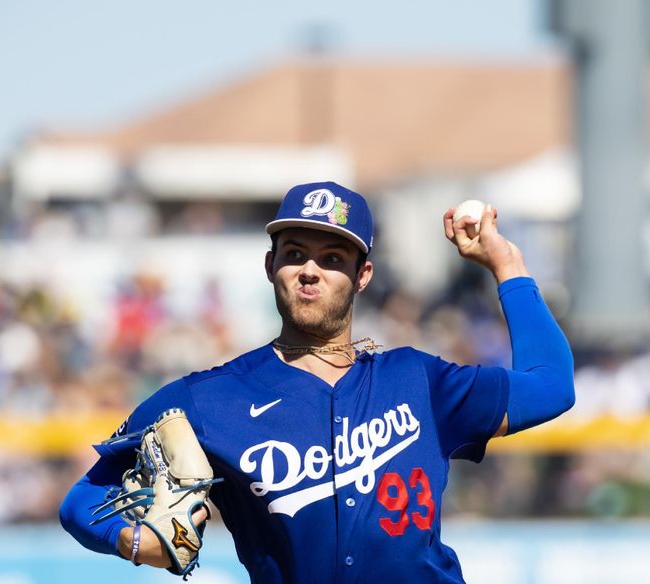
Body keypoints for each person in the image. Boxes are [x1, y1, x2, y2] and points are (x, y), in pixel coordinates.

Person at [60, 181, 575, 582]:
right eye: (295, 253)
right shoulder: (208, 400)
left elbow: (551, 385)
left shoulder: (418, 380)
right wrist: (129, 539)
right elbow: (81, 500)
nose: (311, 271)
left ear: (363, 275)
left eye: (332, 259)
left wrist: (509, 266)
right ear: (271, 266)